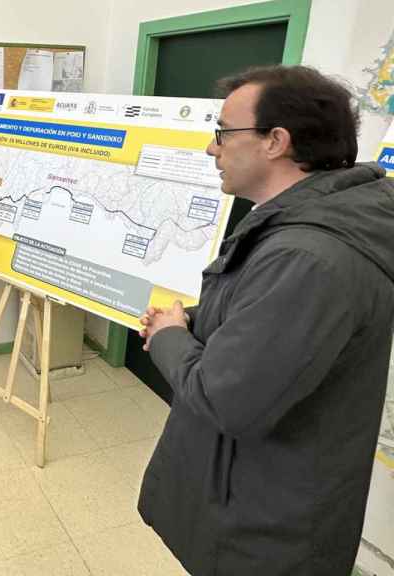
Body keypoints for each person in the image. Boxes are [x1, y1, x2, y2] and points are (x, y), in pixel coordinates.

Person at [137, 65, 394, 575]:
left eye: (223, 134)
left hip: (264, 527)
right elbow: (263, 325)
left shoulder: (310, 255)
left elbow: (224, 397)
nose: (213, 149)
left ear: (276, 141)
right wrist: (191, 320)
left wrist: (167, 336)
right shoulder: (303, 224)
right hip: (253, 496)